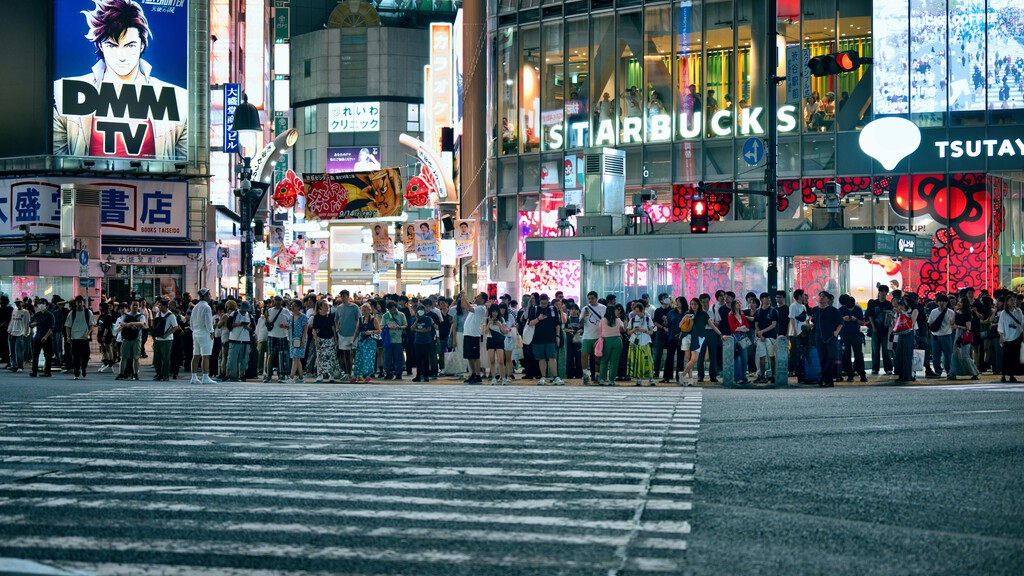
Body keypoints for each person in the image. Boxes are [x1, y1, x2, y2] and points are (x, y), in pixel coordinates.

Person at [53, 0, 188, 160]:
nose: (121, 57)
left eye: (130, 45)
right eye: (112, 46)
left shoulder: (179, 99)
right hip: (86, 184)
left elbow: (185, 168)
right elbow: (56, 163)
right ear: (101, 46)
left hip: (154, 185)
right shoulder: (63, 93)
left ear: (141, 45)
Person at [527, 293, 563, 386]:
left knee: (552, 357)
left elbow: (557, 324)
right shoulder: (535, 309)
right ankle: (543, 376)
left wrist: (558, 336)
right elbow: (530, 323)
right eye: (542, 303)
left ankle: (555, 376)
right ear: (539, 301)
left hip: (550, 337)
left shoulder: (552, 309)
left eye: (545, 302)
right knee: (541, 358)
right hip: (537, 338)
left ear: (548, 301)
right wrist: (539, 319)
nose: (543, 304)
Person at [811, 291, 842, 387]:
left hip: (831, 337)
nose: (821, 298)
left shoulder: (833, 310)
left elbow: (840, 322)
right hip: (819, 337)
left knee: (831, 356)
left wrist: (836, 332)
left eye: (823, 297)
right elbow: (813, 322)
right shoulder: (815, 310)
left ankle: (823, 376)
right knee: (822, 358)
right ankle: (828, 380)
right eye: (820, 296)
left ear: (828, 299)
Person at [189, 288, 217, 385]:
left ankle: (194, 377)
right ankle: (205, 376)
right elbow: (208, 322)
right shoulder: (207, 307)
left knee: (196, 355)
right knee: (206, 356)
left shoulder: (195, 307)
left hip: (195, 333)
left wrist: (195, 330)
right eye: (209, 294)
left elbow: (191, 323)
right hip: (205, 333)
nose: (210, 296)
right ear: (205, 296)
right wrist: (211, 331)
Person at [460, 291, 488, 384]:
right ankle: (473, 374)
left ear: (483, 300)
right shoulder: (476, 306)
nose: (476, 297)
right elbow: (464, 305)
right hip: (467, 333)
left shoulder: (481, 308)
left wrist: (465, 297)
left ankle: (478, 375)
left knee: (475, 356)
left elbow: (468, 307)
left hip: (474, 334)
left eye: (478, 297)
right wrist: (463, 296)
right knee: (469, 356)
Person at [838, 294, 867, 382]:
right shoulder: (841, 310)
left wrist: (856, 320)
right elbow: (837, 321)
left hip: (856, 334)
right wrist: (843, 319)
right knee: (847, 355)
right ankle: (850, 374)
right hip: (845, 334)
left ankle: (862, 374)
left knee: (859, 354)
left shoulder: (858, 309)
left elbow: (862, 323)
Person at [579, 291, 607, 385]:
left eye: (592, 298)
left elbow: (606, 321)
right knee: (584, 354)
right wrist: (583, 316)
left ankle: (597, 374)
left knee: (597, 357)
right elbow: (580, 323)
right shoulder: (585, 309)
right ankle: (585, 374)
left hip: (598, 336)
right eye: (589, 298)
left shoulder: (603, 308)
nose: (591, 300)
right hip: (587, 335)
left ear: (596, 298)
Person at [116, 300, 146, 381]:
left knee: (136, 358)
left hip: (136, 339)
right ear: (130, 306)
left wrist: (131, 323)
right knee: (123, 357)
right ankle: (121, 373)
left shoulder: (141, 316)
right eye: (134, 305)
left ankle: (135, 373)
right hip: (126, 338)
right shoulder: (126, 315)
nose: (135, 307)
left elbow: (142, 323)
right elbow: (121, 323)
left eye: (137, 305)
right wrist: (128, 325)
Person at [65, 296, 95, 380]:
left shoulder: (88, 312)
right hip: (75, 338)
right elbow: (68, 326)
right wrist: (68, 336)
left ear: (83, 303)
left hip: (84, 338)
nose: (79, 303)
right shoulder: (72, 313)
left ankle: (84, 367)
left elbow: (92, 325)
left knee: (86, 355)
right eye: (78, 302)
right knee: (75, 356)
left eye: (81, 302)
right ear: (75, 303)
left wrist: (87, 334)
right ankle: (76, 371)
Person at [626, 301, 655, 386]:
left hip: (645, 342)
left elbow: (651, 332)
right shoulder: (632, 319)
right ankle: (638, 379)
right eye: (636, 311)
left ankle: (651, 378)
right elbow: (628, 332)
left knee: (648, 360)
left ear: (643, 311)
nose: (638, 313)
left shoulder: (647, 319)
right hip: (635, 342)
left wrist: (644, 330)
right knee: (637, 361)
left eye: (639, 311)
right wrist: (634, 330)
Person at [264, 296, 292, 383]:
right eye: (276, 300)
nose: (277, 302)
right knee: (270, 355)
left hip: (282, 336)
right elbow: (266, 323)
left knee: (282, 356)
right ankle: (269, 375)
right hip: (272, 335)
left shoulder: (286, 311)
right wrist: (266, 320)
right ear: (273, 301)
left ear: (282, 301)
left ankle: (281, 374)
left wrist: (285, 326)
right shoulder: (269, 311)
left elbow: (290, 323)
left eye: (279, 300)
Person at [951, 296, 980, 380]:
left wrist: (958, 326)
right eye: (958, 302)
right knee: (955, 354)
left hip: (964, 335)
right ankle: (953, 372)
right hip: (957, 334)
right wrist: (954, 312)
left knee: (965, 355)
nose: (958, 303)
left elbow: (968, 327)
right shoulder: (957, 312)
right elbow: (951, 322)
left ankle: (974, 372)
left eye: (960, 302)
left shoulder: (967, 314)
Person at [224, 301, 253, 382]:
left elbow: (252, 329)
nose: (244, 311)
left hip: (245, 340)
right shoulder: (234, 314)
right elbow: (229, 325)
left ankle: (242, 374)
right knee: (232, 358)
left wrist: (246, 327)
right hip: (234, 339)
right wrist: (238, 324)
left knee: (244, 359)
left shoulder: (249, 316)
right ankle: (229, 374)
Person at [753, 292, 779, 383]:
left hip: (770, 337)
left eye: (769, 298)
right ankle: (762, 375)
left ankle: (773, 375)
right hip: (760, 338)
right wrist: (759, 334)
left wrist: (762, 332)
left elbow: (774, 324)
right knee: (762, 356)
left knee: (772, 356)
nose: (768, 300)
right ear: (761, 300)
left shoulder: (773, 311)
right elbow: (756, 324)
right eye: (766, 298)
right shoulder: (758, 312)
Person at [334, 290, 360, 380]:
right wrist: (337, 328)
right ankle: (347, 372)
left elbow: (358, 319)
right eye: (341, 296)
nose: (343, 298)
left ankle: (356, 373)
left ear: (348, 296)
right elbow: (336, 319)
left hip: (353, 333)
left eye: (344, 296)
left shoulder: (354, 307)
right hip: (343, 333)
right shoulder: (339, 308)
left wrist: (356, 331)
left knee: (354, 353)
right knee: (346, 354)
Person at [351, 303, 380, 382]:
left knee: (368, 358)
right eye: (363, 310)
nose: (364, 311)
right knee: (359, 358)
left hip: (370, 341)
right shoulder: (360, 319)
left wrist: (371, 331)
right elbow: (356, 331)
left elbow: (379, 330)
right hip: (361, 340)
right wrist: (353, 340)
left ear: (369, 310)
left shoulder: (374, 320)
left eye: (366, 310)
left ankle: (367, 375)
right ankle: (357, 374)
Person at [928, 294, 955, 379]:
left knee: (948, 355)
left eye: (943, 301)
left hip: (946, 335)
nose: (941, 303)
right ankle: (937, 371)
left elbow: (953, 324)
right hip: (936, 336)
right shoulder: (934, 312)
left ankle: (949, 370)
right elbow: (930, 323)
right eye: (939, 301)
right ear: (936, 302)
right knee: (936, 355)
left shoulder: (950, 312)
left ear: (947, 302)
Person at [150, 298, 178, 381]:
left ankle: (165, 374)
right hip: (158, 338)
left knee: (165, 358)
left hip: (167, 340)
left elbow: (175, 327)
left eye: (160, 305)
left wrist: (166, 335)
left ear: (165, 306)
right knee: (157, 358)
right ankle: (158, 374)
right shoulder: (158, 314)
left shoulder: (171, 315)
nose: (159, 307)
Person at [312, 300, 339, 383]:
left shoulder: (330, 316)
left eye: (327, 305)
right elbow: (314, 330)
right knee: (320, 357)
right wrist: (316, 341)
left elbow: (333, 328)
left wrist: (335, 338)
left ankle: (331, 374)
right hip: (321, 339)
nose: (327, 307)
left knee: (331, 357)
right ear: (320, 307)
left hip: (330, 338)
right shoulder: (316, 317)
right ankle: (320, 374)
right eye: (324, 305)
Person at [997, 293, 1022, 383]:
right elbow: (1001, 325)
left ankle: (1012, 375)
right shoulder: (1003, 313)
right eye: (1011, 300)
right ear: (1007, 302)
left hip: (1017, 336)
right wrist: (1001, 336)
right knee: (1006, 357)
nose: (1013, 302)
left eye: (1014, 300)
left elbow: (1022, 322)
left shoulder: (1018, 311)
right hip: (1007, 337)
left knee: (1014, 357)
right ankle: (1003, 375)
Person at [891, 297, 917, 385]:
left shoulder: (914, 310)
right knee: (900, 354)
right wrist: (898, 313)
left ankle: (907, 376)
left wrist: (902, 313)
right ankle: (901, 375)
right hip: (901, 334)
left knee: (907, 355)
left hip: (909, 334)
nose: (902, 305)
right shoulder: (900, 312)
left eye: (904, 303)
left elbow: (911, 323)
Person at [597, 306, 624, 386]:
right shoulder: (618, 320)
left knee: (604, 361)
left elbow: (600, 329)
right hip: (617, 340)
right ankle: (611, 380)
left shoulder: (603, 320)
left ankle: (602, 379)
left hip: (606, 341)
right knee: (614, 362)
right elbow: (622, 329)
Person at [728, 299, 752, 385]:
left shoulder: (742, 315)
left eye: (739, 303)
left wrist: (742, 328)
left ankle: (744, 377)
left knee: (744, 357)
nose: (739, 304)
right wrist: (743, 327)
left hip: (743, 336)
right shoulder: (730, 315)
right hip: (735, 336)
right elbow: (733, 328)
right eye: (737, 303)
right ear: (733, 305)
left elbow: (748, 328)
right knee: (737, 357)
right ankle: (738, 377)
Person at [381, 301, 407, 380]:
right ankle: (388, 372)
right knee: (387, 357)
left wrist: (399, 327)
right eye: (391, 310)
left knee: (398, 357)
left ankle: (398, 373)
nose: (393, 311)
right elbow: (381, 326)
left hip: (398, 339)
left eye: (394, 309)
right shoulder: (385, 315)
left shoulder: (401, 315)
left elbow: (405, 325)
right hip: (387, 339)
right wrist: (388, 327)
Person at [485, 304, 510, 385]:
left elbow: (505, 331)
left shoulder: (501, 319)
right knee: (492, 360)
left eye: (496, 312)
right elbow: (485, 332)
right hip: (490, 339)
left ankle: (503, 378)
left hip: (499, 340)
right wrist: (489, 323)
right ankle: (493, 378)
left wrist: (499, 325)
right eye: (493, 312)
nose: (494, 313)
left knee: (501, 360)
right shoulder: (487, 319)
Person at [411, 305, 437, 382]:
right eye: (418, 310)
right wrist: (416, 320)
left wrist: (418, 330)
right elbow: (412, 328)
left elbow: (428, 329)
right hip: (417, 341)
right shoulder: (414, 319)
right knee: (418, 359)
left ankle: (426, 375)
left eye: (421, 309)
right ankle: (418, 375)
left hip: (426, 341)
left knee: (426, 359)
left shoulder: (427, 319)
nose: (420, 311)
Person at [288, 300, 309, 384]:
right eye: (292, 305)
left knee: (296, 358)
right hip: (293, 340)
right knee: (296, 358)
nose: (292, 307)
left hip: (300, 339)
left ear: (299, 307)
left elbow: (305, 329)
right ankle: (300, 377)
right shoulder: (291, 317)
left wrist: (303, 341)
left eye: (295, 306)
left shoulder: (303, 317)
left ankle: (291, 376)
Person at [8, 300, 29, 372]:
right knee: (12, 351)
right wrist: (9, 330)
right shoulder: (14, 311)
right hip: (12, 333)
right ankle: (14, 365)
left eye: (19, 303)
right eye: (16, 303)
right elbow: (12, 321)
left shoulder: (25, 312)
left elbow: (27, 323)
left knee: (18, 351)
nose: (17, 304)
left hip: (20, 333)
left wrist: (26, 333)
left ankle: (20, 366)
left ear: (22, 303)